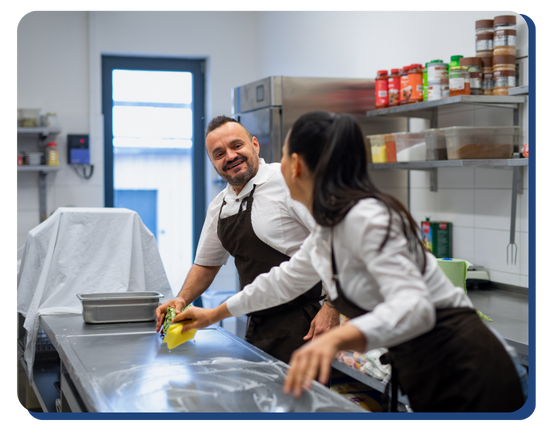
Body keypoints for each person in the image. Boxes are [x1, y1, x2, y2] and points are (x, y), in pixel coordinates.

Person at [172, 111, 526, 413]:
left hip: (465, 365)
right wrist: (214, 314)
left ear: (295, 165)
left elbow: (415, 307)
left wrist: (335, 340)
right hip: (427, 366)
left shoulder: (366, 217)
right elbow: (283, 280)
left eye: (282, 154)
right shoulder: (331, 227)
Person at [156, 115, 339, 364]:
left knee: (301, 401)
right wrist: (181, 299)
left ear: (255, 144)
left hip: (305, 322)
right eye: (219, 153)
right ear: (213, 163)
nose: (230, 156)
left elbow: (335, 240)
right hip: (258, 323)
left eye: (236, 145)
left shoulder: (288, 181)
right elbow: (206, 264)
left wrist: (332, 307)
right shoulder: (219, 206)